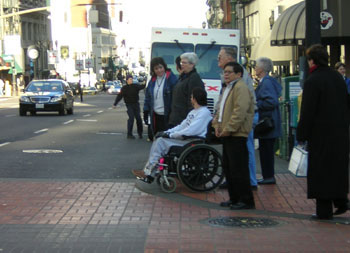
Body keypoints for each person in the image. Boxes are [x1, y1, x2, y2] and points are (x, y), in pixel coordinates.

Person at [297, 44, 350, 220]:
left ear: (311, 61)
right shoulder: (337, 78)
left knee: (320, 171)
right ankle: (341, 200)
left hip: (320, 134)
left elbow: (308, 111)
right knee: (337, 168)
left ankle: (324, 210)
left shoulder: (313, 81)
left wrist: (302, 134)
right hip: (340, 132)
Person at [132, 87, 212, 180]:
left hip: (193, 141)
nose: (190, 99)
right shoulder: (194, 112)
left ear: (195, 99)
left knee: (160, 142)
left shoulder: (204, 113)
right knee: (160, 139)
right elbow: (181, 126)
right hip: (187, 139)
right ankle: (150, 171)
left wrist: (170, 135)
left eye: (191, 97)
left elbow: (191, 130)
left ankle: (148, 172)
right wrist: (166, 132)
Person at [212, 62, 255, 210]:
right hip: (227, 133)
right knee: (229, 167)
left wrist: (229, 128)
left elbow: (240, 111)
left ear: (239, 74)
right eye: (225, 72)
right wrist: (217, 125)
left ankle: (245, 200)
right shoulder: (228, 88)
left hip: (237, 134)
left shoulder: (241, 87)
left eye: (230, 72)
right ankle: (234, 198)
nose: (226, 74)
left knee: (239, 168)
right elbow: (221, 110)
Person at [217, 47, 258, 190]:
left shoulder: (240, 81)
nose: (218, 61)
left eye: (220, 57)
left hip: (240, 124)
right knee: (231, 158)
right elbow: (222, 102)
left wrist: (229, 127)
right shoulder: (229, 81)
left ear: (229, 58)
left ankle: (249, 182)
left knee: (243, 153)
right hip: (231, 123)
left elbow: (241, 107)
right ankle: (234, 183)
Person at [254, 57, 282, 185]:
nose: (254, 68)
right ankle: (267, 176)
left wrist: (256, 103)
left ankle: (268, 176)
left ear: (261, 69)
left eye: (256, 66)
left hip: (267, 123)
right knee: (266, 151)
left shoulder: (266, 83)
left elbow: (271, 101)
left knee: (266, 151)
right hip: (269, 122)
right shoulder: (267, 81)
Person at [143, 57, 178, 140]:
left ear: (164, 67)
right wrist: (145, 110)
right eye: (156, 68)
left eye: (160, 67)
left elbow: (176, 98)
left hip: (167, 116)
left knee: (167, 141)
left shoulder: (171, 79)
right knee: (157, 140)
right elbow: (148, 97)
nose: (159, 70)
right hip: (155, 116)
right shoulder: (152, 81)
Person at [168, 52, 204, 128]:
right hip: (176, 119)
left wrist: (189, 122)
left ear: (192, 64)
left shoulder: (194, 79)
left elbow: (193, 102)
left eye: (184, 63)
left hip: (183, 121)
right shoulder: (183, 77)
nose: (181, 64)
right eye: (181, 62)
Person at [113, 75, 145, 139]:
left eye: (131, 79)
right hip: (129, 105)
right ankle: (129, 134)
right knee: (131, 118)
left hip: (136, 104)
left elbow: (142, 86)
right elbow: (120, 96)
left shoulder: (135, 86)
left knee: (138, 118)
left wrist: (146, 82)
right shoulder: (124, 88)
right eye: (130, 79)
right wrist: (115, 104)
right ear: (127, 80)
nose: (131, 80)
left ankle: (140, 133)